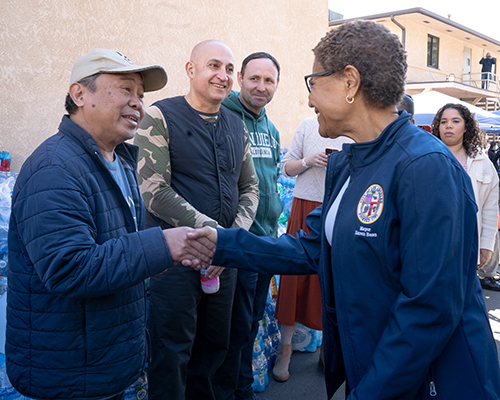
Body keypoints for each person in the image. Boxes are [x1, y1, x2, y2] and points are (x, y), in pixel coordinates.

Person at [189, 20, 500, 399]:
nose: (308, 99)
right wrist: (220, 244)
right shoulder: (354, 163)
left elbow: (429, 309)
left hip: (430, 381)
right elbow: (309, 247)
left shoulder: (425, 167)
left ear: (350, 82)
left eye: (313, 82)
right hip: (376, 369)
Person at [6, 49, 214, 400]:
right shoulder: (54, 168)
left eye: (141, 96)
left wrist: (160, 260)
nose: (137, 104)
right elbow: (70, 269)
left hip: (103, 362)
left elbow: (115, 251)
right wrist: (161, 245)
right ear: (79, 94)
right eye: (124, 89)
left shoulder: (120, 162)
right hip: (70, 372)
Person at [134, 40, 259, 400]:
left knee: (216, 347)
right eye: (213, 66)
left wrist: (232, 238)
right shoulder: (159, 117)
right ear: (191, 70)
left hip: (224, 262)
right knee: (172, 352)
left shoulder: (237, 126)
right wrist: (214, 236)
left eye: (229, 69)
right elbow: (154, 190)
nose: (223, 76)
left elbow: (250, 187)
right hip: (175, 260)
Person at [212, 52, 282, 400]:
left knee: (253, 321)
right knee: (235, 326)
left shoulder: (271, 129)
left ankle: (241, 384)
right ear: (240, 78)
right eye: (254, 78)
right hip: (239, 241)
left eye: (269, 81)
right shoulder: (223, 117)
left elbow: (270, 180)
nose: (261, 86)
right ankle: (233, 391)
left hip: (267, 243)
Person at [272, 116, 352, 382]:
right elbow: (286, 168)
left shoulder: (352, 127)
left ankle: (327, 348)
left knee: (332, 281)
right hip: (304, 205)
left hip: (340, 206)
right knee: (294, 279)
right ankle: (285, 349)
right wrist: (309, 161)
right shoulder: (307, 126)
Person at [431, 103, 500, 291]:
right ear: (437, 126)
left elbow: (490, 208)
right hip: (433, 240)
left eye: (455, 121)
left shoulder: (483, 162)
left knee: (463, 292)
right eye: (443, 121)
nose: (449, 126)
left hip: (467, 240)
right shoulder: (426, 157)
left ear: (466, 126)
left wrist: (487, 244)